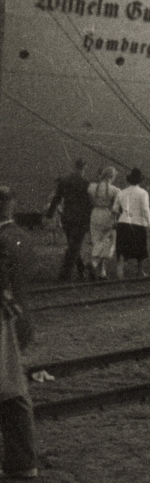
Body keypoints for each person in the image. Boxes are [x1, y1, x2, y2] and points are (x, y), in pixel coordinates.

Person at [0, 187, 37, 479]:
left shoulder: (1, 240)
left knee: (11, 392)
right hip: (19, 319)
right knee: (13, 392)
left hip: (5, 323)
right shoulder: (21, 236)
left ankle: (22, 463)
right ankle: (22, 462)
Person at [46, 158, 91, 283]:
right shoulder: (86, 183)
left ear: (73, 167)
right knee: (74, 246)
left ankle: (81, 268)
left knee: (72, 245)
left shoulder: (64, 181)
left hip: (67, 217)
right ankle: (64, 275)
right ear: (84, 168)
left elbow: (56, 198)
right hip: (81, 219)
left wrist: (49, 214)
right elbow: (88, 203)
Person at [113, 168, 150, 279]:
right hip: (138, 223)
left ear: (129, 180)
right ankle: (140, 270)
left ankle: (120, 271)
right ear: (140, 181)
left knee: (122, 247)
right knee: (140, 248)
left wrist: (116, 220)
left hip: (123, 223)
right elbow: (145, 209)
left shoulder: (121, 192)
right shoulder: (143, 193)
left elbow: (115, 209)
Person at [87, 167, 120, 281]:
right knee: (109, 241)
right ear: (111, 176)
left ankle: (102, 272)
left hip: (95, 213)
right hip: (107, 214)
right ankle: (94, 263)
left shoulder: (91, 187)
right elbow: (117, 207)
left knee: (97, 240)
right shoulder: (114, 190)